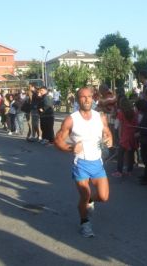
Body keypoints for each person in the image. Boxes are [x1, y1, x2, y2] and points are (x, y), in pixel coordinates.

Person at [54, 87, 113, 238]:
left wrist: (109, 140)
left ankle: (91, 200)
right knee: (85, 194)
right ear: (77, 100)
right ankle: (84, 222)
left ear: (93, 98)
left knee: (104, 197)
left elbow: (107, 133)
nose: (87, 99)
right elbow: (58, 140)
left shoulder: (100, 116)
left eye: (89, 96)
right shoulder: (71, 119)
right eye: (82, 97)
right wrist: (70, 147)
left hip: (97, 162)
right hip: (81, 163)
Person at [111, 97, 138, 177]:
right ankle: (130, 170)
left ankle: (119, 171)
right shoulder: (134, 112)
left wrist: (119, 136)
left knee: (121, 153)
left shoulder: (121, 113)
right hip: (132, 134)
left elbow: (119, 126)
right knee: (130, 153)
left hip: (125, 134)